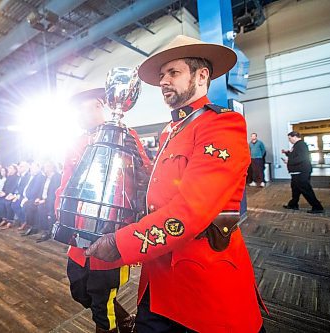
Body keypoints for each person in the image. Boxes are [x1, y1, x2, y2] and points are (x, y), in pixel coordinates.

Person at [85, 35, 267, 333]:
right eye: (161, 76)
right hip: (159, 275)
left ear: (202, 75)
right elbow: (158, 191)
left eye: (173, 72)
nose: (164, 81)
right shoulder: (172, 129)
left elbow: (191, 210)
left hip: (201, 276)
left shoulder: (221, 124)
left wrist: (120, 244)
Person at [55, 88, 151, 333]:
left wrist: (137, 160)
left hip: (111, 235)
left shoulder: (126, 136)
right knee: (79, 291)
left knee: (102, 302)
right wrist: (59, 212)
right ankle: (125, 318)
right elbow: (65, 182)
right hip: (78, 236)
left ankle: (114, 323)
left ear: (99, 105)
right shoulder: (76, 142)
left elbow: (145, 178)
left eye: (81, 109)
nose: (76, 115)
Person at [282, 131, 324, 214]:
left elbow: (302, 158)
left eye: (290, 138)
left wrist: (289, 161)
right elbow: (295, 155)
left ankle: (317, 207)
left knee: (306, 189)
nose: (289, 140)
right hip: (296, 172)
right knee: (295, 189)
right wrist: (287, 153)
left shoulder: (301, 145)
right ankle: (293, 204)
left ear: (294, 137)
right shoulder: (297, 145)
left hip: (301, 172)